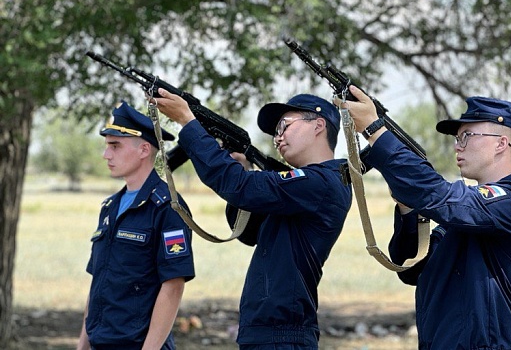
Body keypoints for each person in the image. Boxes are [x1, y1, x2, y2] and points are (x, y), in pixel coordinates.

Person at [339, 86, 511, 349]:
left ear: (501, 143)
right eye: (457, 138)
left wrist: (375, 130)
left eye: (467, 136)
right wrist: (407, 206)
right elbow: (412, 267)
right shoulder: (469, 211)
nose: (457, 146)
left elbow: (440, 196)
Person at [153, 90, 352, 349]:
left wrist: (189, 123)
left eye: (284, 125)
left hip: (283, 335)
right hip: (267, 330)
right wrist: (244, 167)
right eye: (275, 131)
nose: (278, 137)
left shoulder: (321, 182)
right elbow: (248, 232)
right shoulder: (303, 187)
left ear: (318, 125)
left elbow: (240, 187)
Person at [78, 101, 195, 350]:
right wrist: (83, 345)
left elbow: (173, 286)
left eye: (115, 146)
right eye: (107, 146)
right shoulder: (110, 207)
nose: (106, 154)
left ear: (143, 150)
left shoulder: (167, 207)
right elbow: (98, 283)